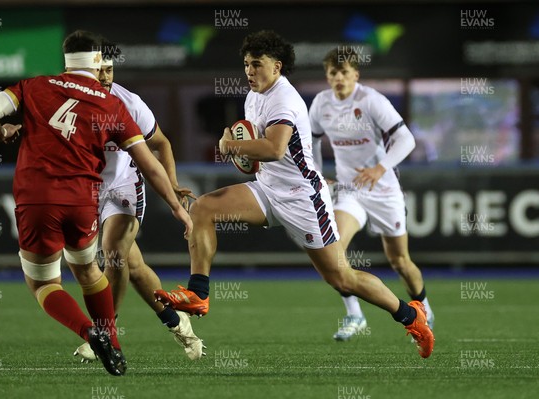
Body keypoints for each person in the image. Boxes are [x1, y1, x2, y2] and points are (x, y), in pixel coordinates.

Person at [154, 30, 434, 358]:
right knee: (203, 208)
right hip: (268, 190)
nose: (249, 71)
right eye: (246, 64)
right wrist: (238, 143)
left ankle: (411, 316)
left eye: (257, 64)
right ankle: (198, 293)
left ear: (277, 67)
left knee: (342, 278)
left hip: (303, 199)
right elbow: (256, 152)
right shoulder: (253, 95)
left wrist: (231, 144)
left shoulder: (284, 98)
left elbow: (273, 148)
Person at [0, 30, 192, 376]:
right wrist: (177, 207)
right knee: (97, 269)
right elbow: (150, 163)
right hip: (84, 200)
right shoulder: (110, 105)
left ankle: (92, 333)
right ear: (95, 63)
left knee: (47, 283)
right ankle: (123, 336)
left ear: (66, 62)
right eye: (101, 66)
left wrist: (0, 133)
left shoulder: (35, 86)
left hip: (42, 198)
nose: (106, 73)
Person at [73, 40, 204, 362]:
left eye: (110, 69)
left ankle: (104, 331)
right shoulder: (69, 100)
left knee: (113, 253)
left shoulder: (128, 103)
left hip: (123, 188)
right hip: (86, 192)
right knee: (133, 266)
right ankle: (177, 322)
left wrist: (172, 184)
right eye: (99, 68)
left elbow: (161, 143)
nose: (105, 75)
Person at [309, 47, 435, 341]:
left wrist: (380, 168)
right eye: (333, 73)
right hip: (350, 190)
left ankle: (424, 309)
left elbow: (406, 139)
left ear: (356, 74)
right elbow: (311, 142)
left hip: (384, 190)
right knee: (334, 254)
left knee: (400, 261)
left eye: (344, 72)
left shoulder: (371, 100)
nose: (339, 78)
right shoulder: (321, 104)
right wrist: (315, 173)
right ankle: (355, 314)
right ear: (327, 77)